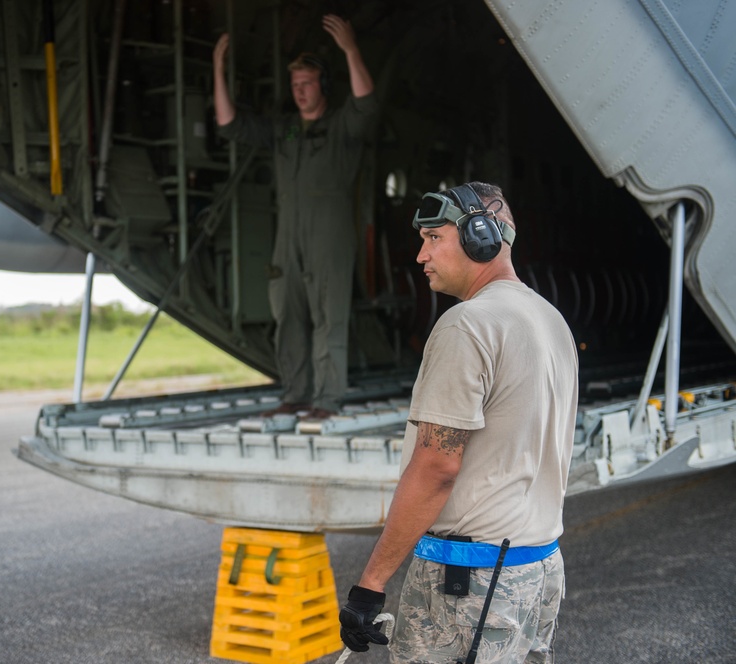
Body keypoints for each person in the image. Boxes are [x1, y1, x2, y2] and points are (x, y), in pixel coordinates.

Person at [338, 182, 579, 663]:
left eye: (434, 238)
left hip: (470, 585)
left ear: (481, 238)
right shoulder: (550, 320)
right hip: (538, 568)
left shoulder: (466, 325)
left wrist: (370, 585)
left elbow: (436, 468)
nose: (420, 254)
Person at [213, 15, 378, 420]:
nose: (300, 92)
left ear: (322, 85)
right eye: (295, 85)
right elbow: (229, 124)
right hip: (288, 237)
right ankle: (296, 393)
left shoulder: (341, 128)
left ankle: (326, 400)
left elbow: (366, 105)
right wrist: (217, 69)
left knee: (327, 318)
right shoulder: (284, 130)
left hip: (330, 236)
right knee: (288, 317)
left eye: (306, 84)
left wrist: (351, 50)